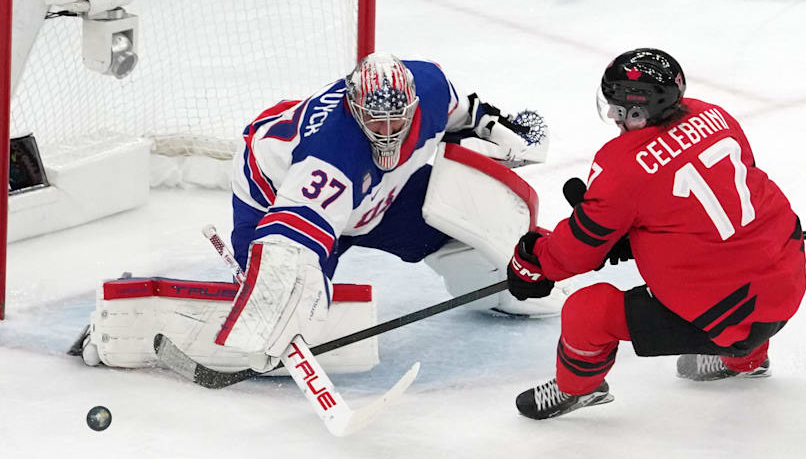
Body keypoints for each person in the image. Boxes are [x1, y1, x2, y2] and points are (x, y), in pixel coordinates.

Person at [506, 48, 806, 420]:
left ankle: (577, 388)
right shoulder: (713, 114)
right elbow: (730, 189)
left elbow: (577, 253)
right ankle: (746, 359)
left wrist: (533, 261)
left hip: (728, 312)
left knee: (588, 312)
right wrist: (635, 231)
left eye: (618, 106)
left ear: (636, 111)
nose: (614, 115)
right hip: (788, 273)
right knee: (745, 265)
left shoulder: (621, 168)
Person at [215, 52, 562, 372]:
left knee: (462, 210)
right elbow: (292, 241)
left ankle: (495, 288)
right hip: (275, 193)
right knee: (281, 290)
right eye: (375, 122)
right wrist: (278, 292)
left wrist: (493, 128)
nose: (388, 132)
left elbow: (466, 114)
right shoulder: (331, 156)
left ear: (413, 104)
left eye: (397, 120)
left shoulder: (431, 88)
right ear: (354, 108)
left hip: (374, 195)